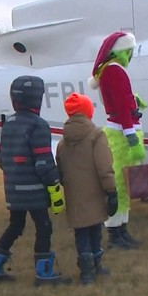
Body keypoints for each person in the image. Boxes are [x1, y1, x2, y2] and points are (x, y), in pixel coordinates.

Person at [0, 75, 71, 286]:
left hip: (12, 188)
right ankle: (44, 274)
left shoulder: (9, 123)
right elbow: (43, 163)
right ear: (37, 99)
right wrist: (54, 183)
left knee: (15, 225)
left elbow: (2, 159)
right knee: (44, 227)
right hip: (34, 190)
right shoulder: (38, 125)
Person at [88, 31, 146, 249]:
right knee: (120, 185)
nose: (131, 56)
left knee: (124, 185)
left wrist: (134, 102)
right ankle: (115, 234)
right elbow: (120, 106)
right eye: (130, 51)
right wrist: (131, 137)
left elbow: (121, 102)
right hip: (122, 133)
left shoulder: (110, 71)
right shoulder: (114, 71)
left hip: (121, 129)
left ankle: (121, 231)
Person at [56, 93, 118, 285]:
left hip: (75, 197)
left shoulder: (62, 143)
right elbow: (104, 166)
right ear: (88, 111)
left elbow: (60, 171)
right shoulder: (96, 135)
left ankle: (86, 273)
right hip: (94, 194)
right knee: (95, 231)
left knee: (81, 234)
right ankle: (96, 266)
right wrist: (111, 191)